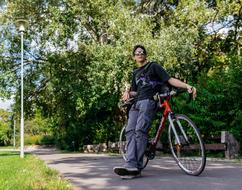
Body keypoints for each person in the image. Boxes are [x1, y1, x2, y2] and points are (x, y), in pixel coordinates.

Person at [113, 45, 196, 178]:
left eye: (142, 52)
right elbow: (136, 91)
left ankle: (135, 167)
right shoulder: (135, 73)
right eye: (137, 53)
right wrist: (128, 93)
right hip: (136, 104)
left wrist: (187, 86)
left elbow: (169, 79)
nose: (139, 54)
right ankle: (130, 165)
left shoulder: (154, 66)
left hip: (148, 101)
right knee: (130, 131)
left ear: (145, 55)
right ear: (134, 57)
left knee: (140, 130)